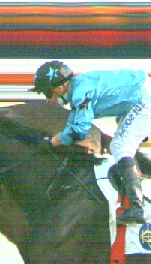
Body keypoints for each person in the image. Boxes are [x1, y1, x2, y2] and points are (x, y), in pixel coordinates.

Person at [33, 61, 151, 223]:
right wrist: (53, 140)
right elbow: (73, 124)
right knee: (118, 146)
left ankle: (137, 207)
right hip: (138, 98)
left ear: (59, 88)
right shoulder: (77, 90)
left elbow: (80, 130)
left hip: (144, 99)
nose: (47, 100)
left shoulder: (81, 92)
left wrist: (53, 142)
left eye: (47, 93)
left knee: (120, 147)